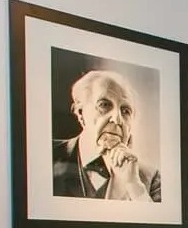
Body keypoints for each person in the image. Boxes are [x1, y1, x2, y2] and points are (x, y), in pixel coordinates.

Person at [53, 69, 160, 201]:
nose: (117, 119)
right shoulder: (47, 155)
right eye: (104, 105)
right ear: (81, 114)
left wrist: (134, 186)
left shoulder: (150, 178)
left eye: (125, 111)